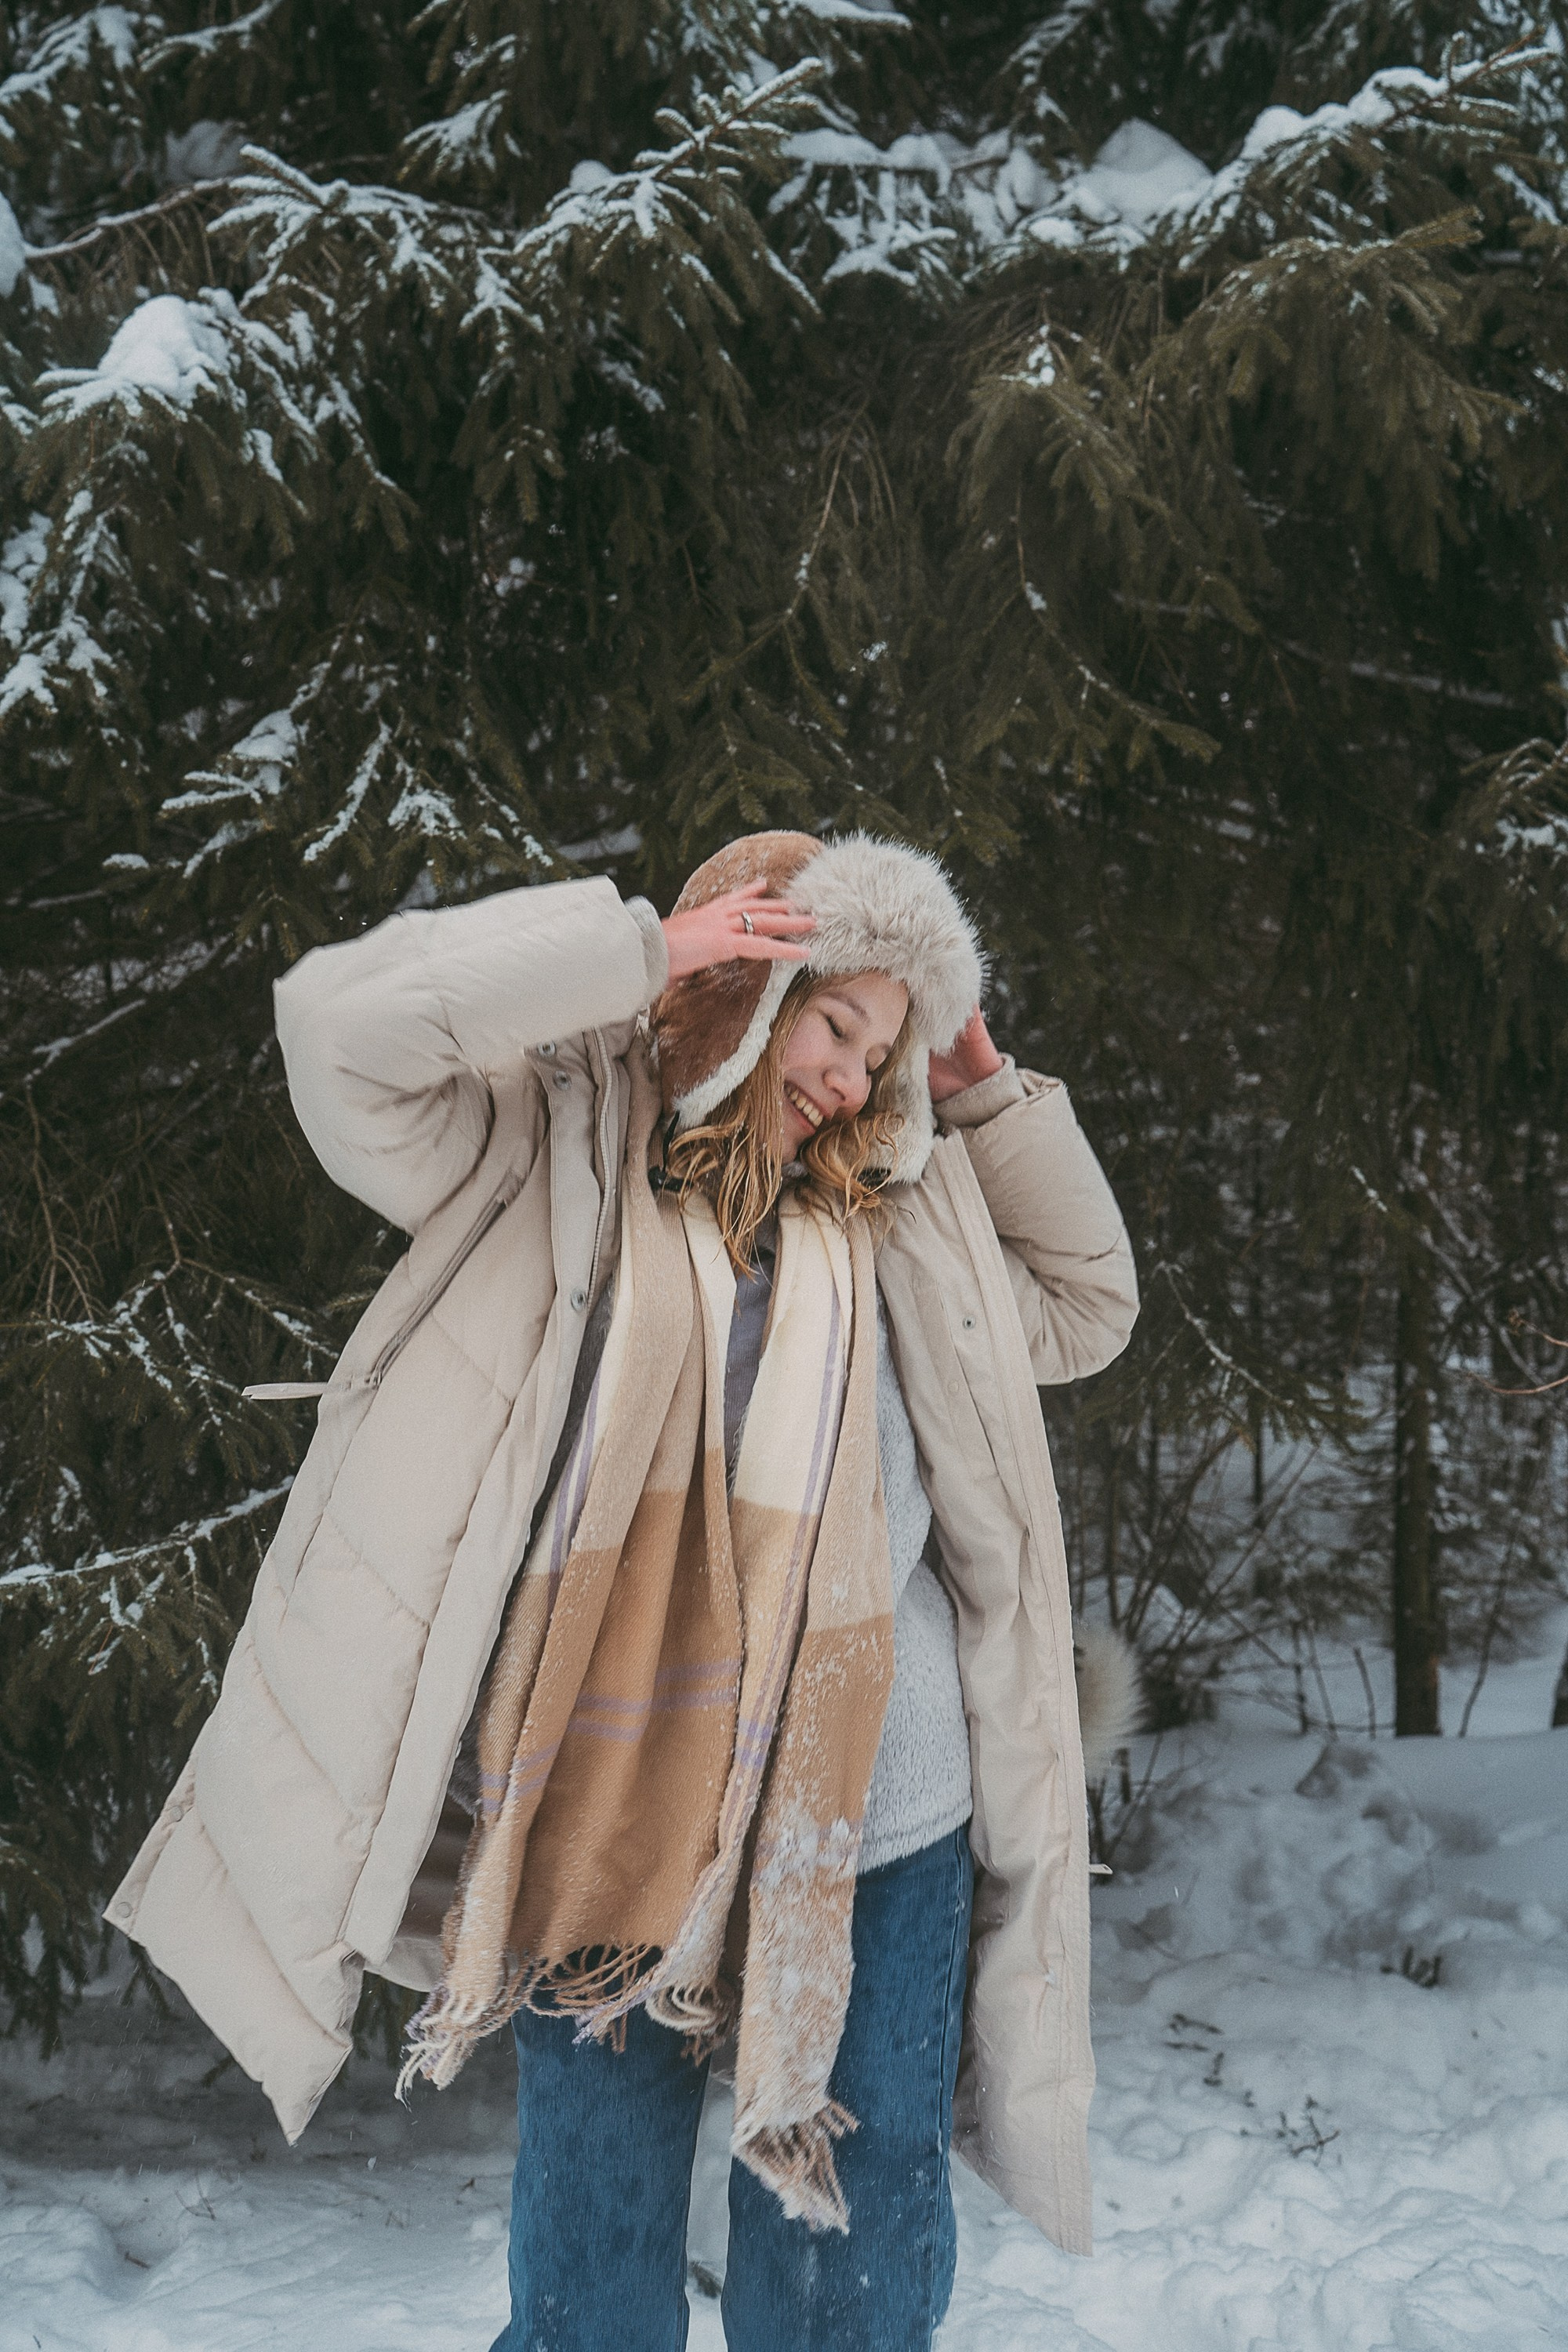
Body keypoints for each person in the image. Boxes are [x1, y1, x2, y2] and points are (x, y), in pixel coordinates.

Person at [106, 829, 1140, 2352]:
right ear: (747, 987)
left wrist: (978, 1075)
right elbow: (337, 1028)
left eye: (886, 1050)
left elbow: (1086, 1305)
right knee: (594, 2255)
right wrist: (639, 950)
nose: (856, 1082)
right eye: (834, 1026)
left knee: (848, 2239)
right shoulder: (548, 1149)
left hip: (879, 1809)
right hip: (606, 1795)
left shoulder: (904, 1209)